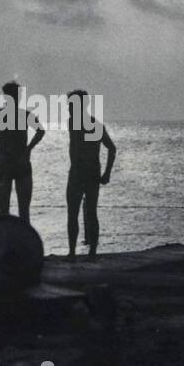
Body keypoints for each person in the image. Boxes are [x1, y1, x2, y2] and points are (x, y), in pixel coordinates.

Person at [0, 81, 44, 220]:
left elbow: (40, 131)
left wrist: (28, 149)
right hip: (11, 164)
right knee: (14, 212)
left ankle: (17, 240)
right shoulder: (17, 115)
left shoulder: (21, 115)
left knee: (13, 212)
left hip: (14, 163)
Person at [65, 89, 115, 258]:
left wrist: (107, 173)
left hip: (83, 174)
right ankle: (79, 252)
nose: (68, 108)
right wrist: (106, 173)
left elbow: (112, 148)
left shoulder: (77, 123)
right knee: (82, 213)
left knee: (82, 213)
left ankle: (86, 252)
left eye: (71, 105)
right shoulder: (85, 124)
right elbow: (111, 148)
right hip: (86, 173)